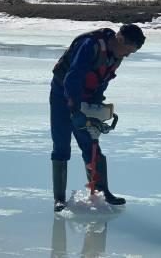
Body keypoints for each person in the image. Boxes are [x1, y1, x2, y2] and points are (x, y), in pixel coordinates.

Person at [49, 24, 145, 212]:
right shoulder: (90, 45)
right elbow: (72, 79)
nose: (127, 55)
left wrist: (96, 103)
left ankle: (102, 192)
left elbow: (102, 80)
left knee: (90, 143)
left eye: (131, 53)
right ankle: (59, 199)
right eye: (128, 51)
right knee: (61, 144)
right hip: (62, 94)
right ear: (119, 39)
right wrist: (75, 111)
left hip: (84, 97)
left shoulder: (116, 55)